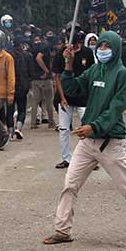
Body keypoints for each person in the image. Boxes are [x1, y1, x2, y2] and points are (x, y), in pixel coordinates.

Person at [43, 31, 126, 245]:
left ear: (115, 49)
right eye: (100, 46)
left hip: (109, 142)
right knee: (70, 184)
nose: (102, 49)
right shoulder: (94, 70)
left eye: (107, 46)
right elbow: (73, 88)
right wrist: (68, 65)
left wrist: (94, 127)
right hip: (88, 142)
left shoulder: (121, 74)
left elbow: (115, 109)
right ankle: (62, 230)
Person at [55, 32, 95, 169]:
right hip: (66, 98)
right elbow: (58, 77)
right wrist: (62, 97)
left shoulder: (88, 53)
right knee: (64, 129)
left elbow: (91, 75)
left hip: (83, 98)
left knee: (88, 128)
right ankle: (66, 158)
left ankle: (91, 158)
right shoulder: (62, 53)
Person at [9, 35, 34, 140]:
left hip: (10, 86)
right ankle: (18, 129)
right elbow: (31, 72)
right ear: (21, 45)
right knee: (21, 109)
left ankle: (10, 132)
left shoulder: (8, 56)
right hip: (23, 86)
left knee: (10, 109)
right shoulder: (28, 56)